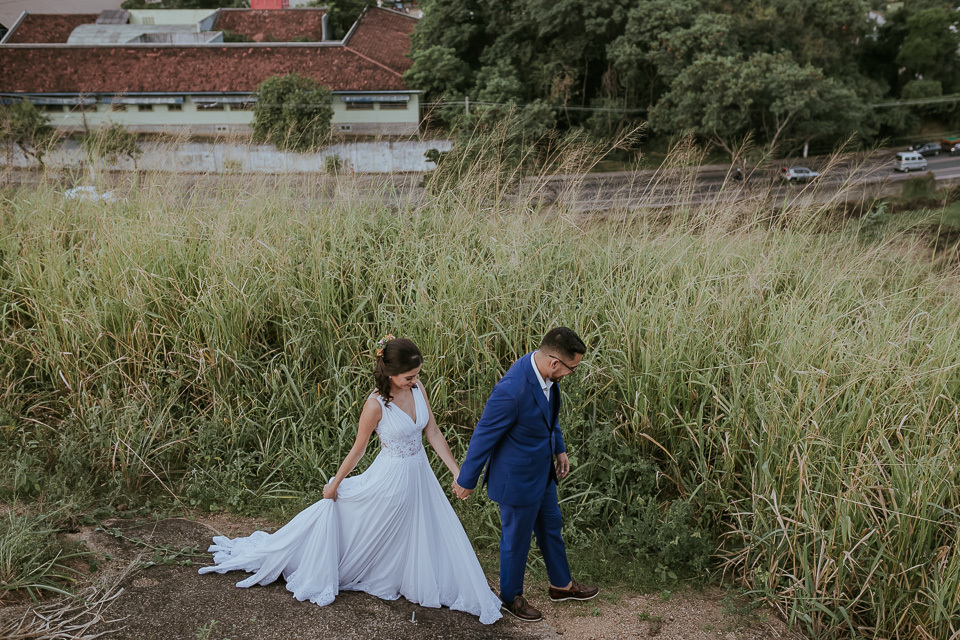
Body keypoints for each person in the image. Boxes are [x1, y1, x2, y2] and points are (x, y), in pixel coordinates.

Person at [199, 336, 503, 625]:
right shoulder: (376, 405)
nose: (415, 380)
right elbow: (358, 450)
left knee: (419, 526)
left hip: (420, 474)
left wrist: (456, 471)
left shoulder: (417, 388)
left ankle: (409, 575)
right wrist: (334, 484)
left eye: (417, 375)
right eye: (409, 377)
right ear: (391, 373)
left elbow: (432, 432)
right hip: (391, 476)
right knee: (370, 524)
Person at [453, 327, 598, 622]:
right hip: (516, 479)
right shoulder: (512, 390)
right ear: (555, 362)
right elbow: (483, 435)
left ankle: (561, 585)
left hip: (542, 472)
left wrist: (559, 449)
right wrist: (466, 480)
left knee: (551, 526)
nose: (571, 373)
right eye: (572, 368)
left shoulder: (547, 375)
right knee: (516, 540)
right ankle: (510, 597)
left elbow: (549, 417)